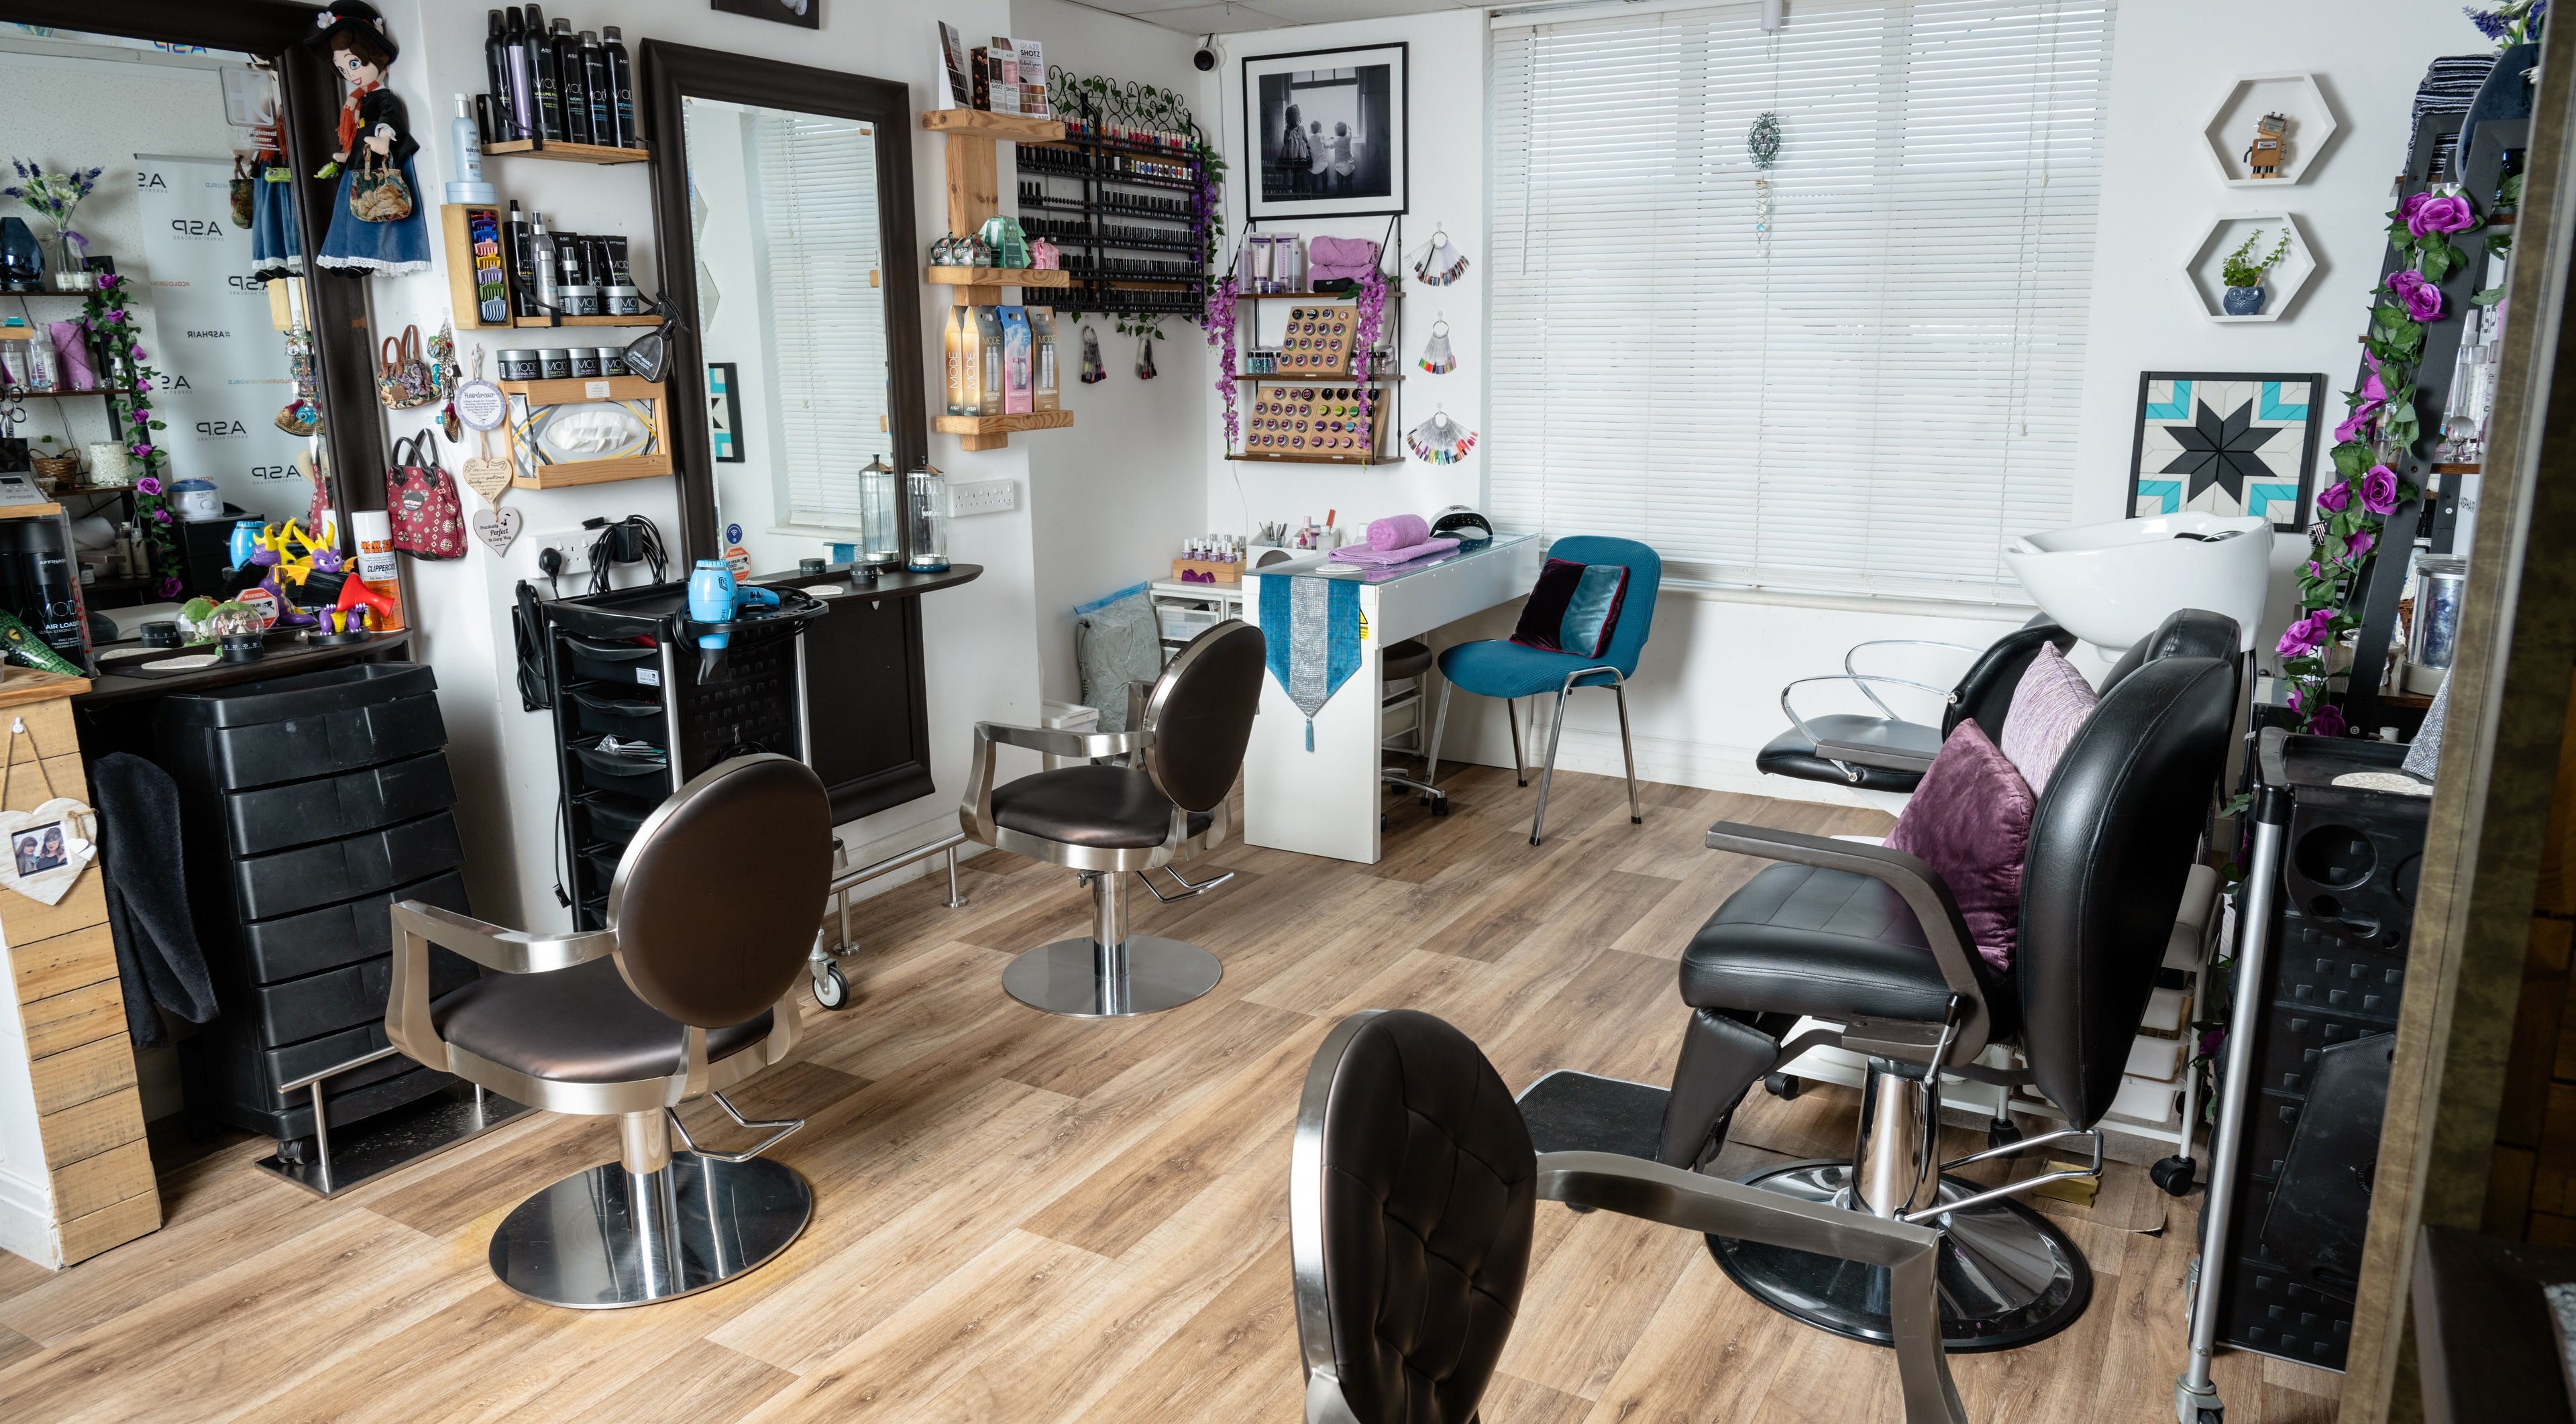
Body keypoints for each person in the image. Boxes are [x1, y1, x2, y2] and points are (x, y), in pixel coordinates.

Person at [309, 3, 430, 276]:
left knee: (378, 207)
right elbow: (360, 130)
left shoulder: (381, 96)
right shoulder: (360, 101)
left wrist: (384, 138)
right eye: (343, 69)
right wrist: (347, 155)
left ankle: (369, 257)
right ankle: (349, 255)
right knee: (352, 211)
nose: (351, 74)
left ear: (375, 56)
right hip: (361, 162)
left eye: (354, 64)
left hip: (380, 161)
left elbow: (391, 114)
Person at [1277, 103, 1309, 198]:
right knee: (1300, 174)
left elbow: (1284, 142)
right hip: (1300, 156)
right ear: (1298, 117)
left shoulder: (1286, 131)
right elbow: (1306, 140)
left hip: (1290, 156)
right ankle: (1299, 193)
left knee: (1292, 174)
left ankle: (1294, 193)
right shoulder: (1301, 128)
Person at [1330, 121, 1355, 195]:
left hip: (1340, 165)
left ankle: (1340, 193)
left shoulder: (1336, 140)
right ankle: (1349, 193)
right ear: (1346, 131)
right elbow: (1350, 134)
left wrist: (1332, 139)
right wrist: (1350, 129)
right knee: (1349, 181)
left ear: (1336, 133)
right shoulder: (1348, 138)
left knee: (1340, 181)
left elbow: (1331, 146)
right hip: (1349, 163)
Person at [1309, 121, 1330, 196]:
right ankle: (1324, 190)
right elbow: (1326, 145)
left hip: (1313, 164)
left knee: (1313, 178)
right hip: (1322, 163)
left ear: (1311, 130)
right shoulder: (1322, 137)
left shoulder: (1309, 138)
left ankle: (1313, 191)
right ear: (1320, 130)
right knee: (1325, 177)